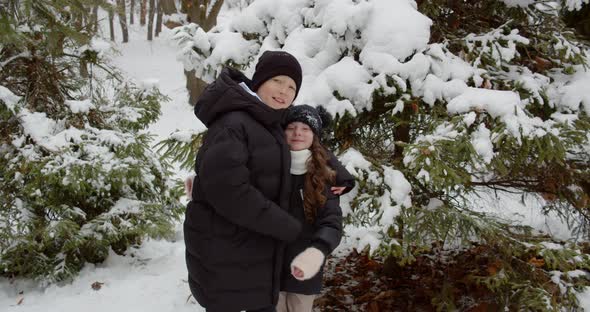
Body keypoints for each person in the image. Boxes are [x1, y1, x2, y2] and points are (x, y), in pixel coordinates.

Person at [184, 50, 305, 312]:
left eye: (292, 86)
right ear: (259, 81)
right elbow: (229, 191)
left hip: (252, 252)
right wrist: (284, 225)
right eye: (278, 81)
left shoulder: (271, 123)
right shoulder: (235, 123)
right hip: (227, 251)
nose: (284, 91)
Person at [276, 105, 355, 312]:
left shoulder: (323, 176)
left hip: (302, 269)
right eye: (291, 127)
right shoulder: (267, 166)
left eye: (305, 129)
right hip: (266, 267)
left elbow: (332, 223)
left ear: (315, 136)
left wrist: (316, 252)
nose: (297, 133)